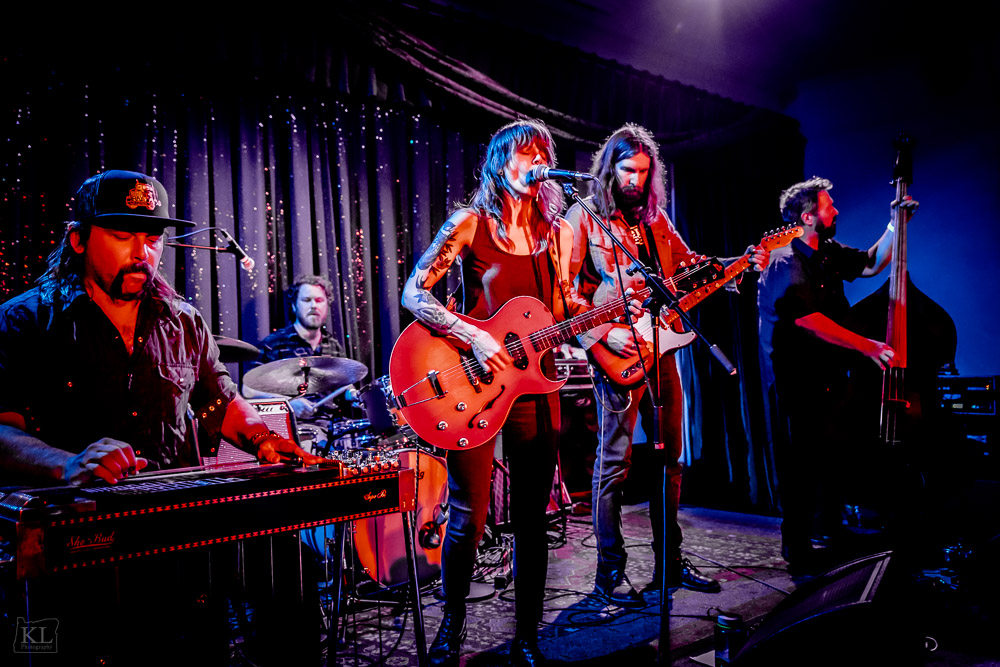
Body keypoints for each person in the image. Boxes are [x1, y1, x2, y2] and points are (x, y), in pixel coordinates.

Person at [0, 170, 323, 665]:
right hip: (76, 548)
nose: (141, 252)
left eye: (152, 239)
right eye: (122, 236)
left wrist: (261, 437)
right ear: (79, 239)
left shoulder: (184, 320)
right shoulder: (26, 320)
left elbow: (219, 401)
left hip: (176, 539)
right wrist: (67, 464)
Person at [401, 120, 590, 667]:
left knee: (534, 517)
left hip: (534, 383)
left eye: (541, 153)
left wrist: (612, 316)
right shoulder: (469, 223)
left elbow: (563, 309)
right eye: (523, 153)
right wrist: (474, 335)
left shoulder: (560, 233)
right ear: (497, 163)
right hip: (473, 382)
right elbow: (415, 290)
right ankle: (452, 624)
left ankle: (527, 635)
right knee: (469, 516)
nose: (535, 161)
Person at [566, 124, 769, 605]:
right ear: (609, 170)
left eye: (643, 172)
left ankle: (669, 562)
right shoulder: (585, 216)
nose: (635, 180)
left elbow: (688, 264)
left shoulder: (657, 221)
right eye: (627, 171)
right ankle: (609, 573)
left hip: (662, 350)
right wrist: (603, 334)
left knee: (670, 459)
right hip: (615, 351)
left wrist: (738, 262)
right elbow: (564, 292)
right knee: (614, 465)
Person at [757, 176, 916, 574]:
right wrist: (868, 345)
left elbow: (871, 264)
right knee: (802, 464)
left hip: (829, 374)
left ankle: (830, 530)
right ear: (809, 217)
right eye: (829, 206)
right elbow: (808, 320)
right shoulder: (784, 261)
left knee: (832, 457)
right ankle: (797, 546)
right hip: (797, 379)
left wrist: (896, 223)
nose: (837, 210)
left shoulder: (827, 252)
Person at [250, 274, 352, 421]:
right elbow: (249, 390)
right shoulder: (273, 344)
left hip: (332, 425)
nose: (313, 306)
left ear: (327, 305)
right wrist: (287, 402)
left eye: (319, 300)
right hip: (294, 427)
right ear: (294, 305)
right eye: (306, 300)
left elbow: (345, 385)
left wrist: (355, 395)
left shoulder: (333, 345)